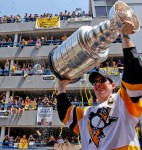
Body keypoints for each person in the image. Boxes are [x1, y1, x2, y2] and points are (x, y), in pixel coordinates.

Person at [57, 20, 142, 150]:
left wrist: (124, 36)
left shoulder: (122, 101)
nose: (98, 84)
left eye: (102, 80)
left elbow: (135, 74)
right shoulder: (86, 114)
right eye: (95, 82)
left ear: (113, 85)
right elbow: (65, 113)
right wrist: (62, 86)